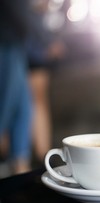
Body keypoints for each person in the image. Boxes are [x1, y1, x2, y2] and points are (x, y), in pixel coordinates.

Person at [26, 0, 65, 164]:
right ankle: (42, 155)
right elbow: (27, 14)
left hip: (31, 50)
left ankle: (40, 155)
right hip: (31, 50)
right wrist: (49, 40)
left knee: (35, 102)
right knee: (37, 102)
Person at [0, 0, 33, 175]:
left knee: (23, 111)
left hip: (14, 43)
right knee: (3, 108)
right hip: (4, 42)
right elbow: (18, 9)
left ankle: (21, 171)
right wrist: (43, 36)